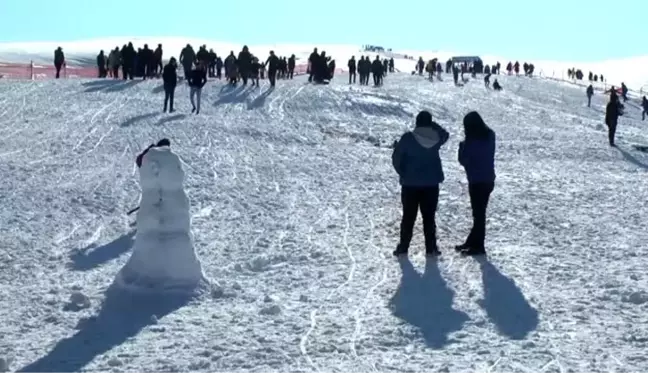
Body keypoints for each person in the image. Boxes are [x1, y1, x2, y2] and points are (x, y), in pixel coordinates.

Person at [391, 110, 450, 257]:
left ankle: (403, 247)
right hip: (431, 185)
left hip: (410, 184)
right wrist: (432, 125)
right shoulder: (436, 138)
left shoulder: (407, 138)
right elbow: (445, 134)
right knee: (429, 218)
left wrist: (403, 173)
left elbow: (396, 158)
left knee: (408, 217)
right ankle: (431, 248)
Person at [455, 112, 496, 256]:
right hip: (488, 179)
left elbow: (463, 160)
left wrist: (462, 146)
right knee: (479, 214)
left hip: (476, 181)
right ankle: (472, 241)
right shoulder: (490, 135)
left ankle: (479, 247)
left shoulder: (471, 141)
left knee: (478, 215)